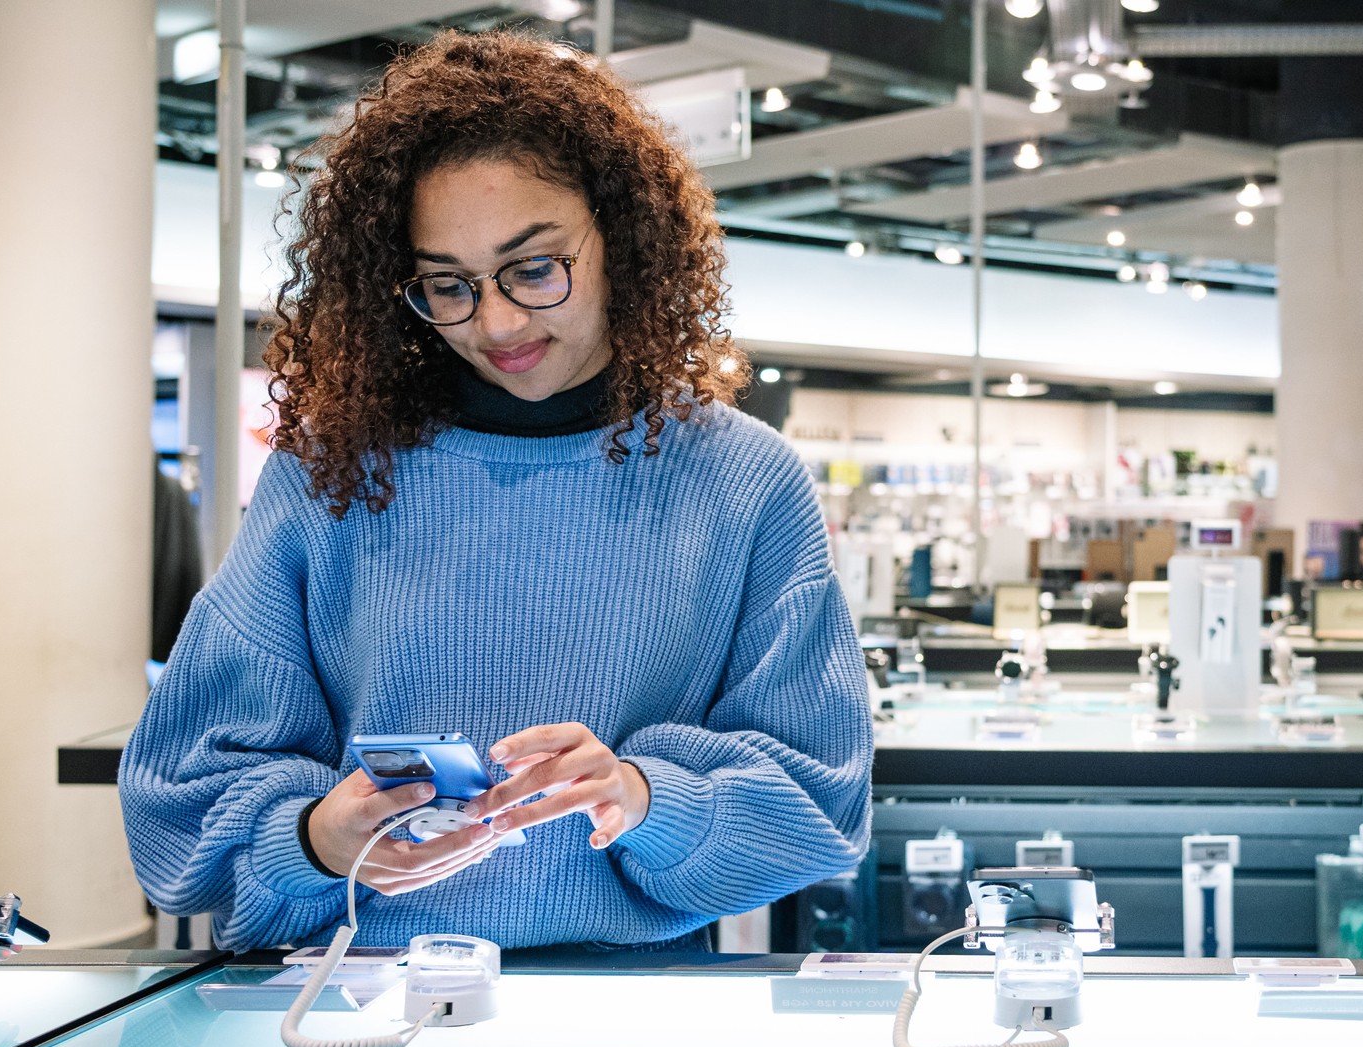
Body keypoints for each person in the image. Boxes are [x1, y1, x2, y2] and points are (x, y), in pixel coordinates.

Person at [119, 30, 873, 951]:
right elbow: (180, 793)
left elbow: (820, 802)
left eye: (534, 267)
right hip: (351, 1009)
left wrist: (644, 797)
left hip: (637, 1027)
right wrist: (316, 839)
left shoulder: (746, 482)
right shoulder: (330, 472)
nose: (499, 321)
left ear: (620, 234)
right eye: (448, 286)